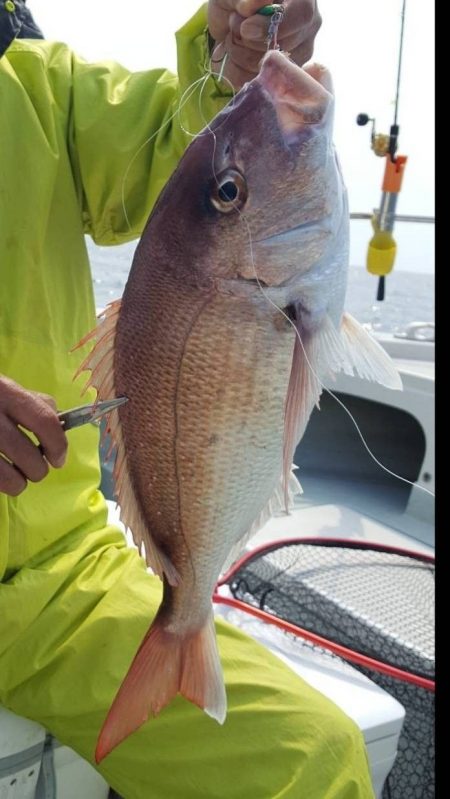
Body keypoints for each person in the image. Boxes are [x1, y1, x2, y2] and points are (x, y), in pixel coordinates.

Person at [0, 1, 375, 796]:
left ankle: (183, 623)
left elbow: (183, 150)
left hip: (58, 579)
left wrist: (236, 60)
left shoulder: (34, 85)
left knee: (313, 756)